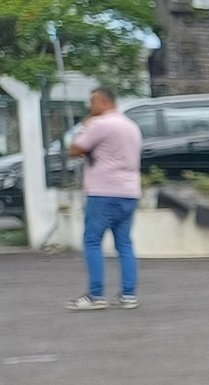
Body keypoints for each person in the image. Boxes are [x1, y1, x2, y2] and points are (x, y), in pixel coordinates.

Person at [66, 87, 143, 311]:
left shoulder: (101, 124)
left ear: (102, 101)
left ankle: (96, 294)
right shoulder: (131, 126)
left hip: (103, 192)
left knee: (92, 241)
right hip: (129, 192)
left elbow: (76, 149)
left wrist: (85, 126)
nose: (90, 107)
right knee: (125, 244)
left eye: (92, 102)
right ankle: (129, 295)